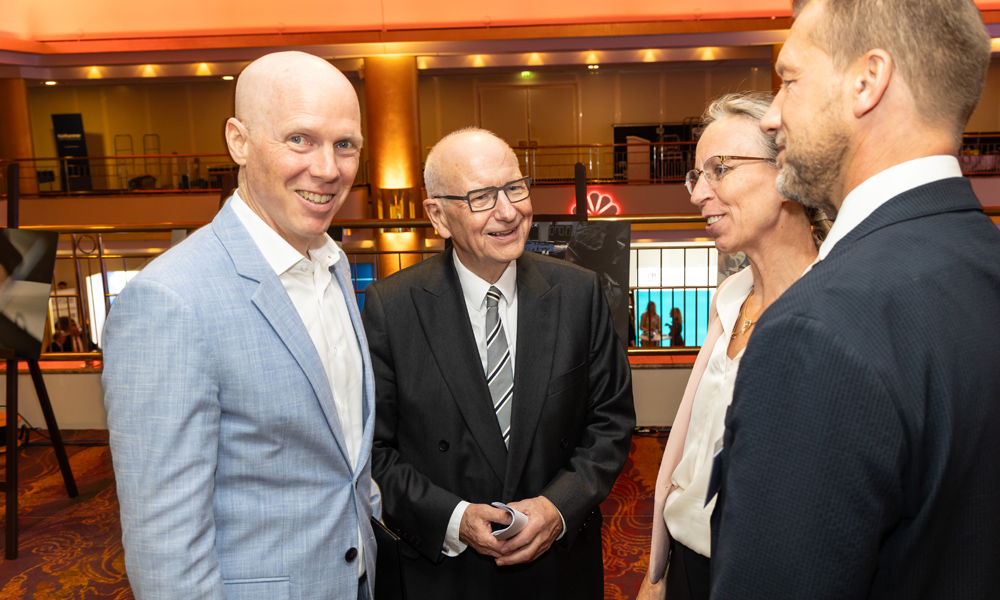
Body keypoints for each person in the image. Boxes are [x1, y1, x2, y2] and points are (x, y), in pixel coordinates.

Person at [710, 2, 1000, 599]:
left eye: (789, 80)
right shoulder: (981, 260)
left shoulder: (818, 327)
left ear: (867, 81)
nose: (773, 116)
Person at [102, 51, 379, 600]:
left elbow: (341, 460)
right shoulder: (169, 300)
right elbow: (165, 547)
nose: (327, 169)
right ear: (239, 140)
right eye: (299, 139)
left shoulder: (334, 263)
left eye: (345, 144)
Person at [362, 127, 635, 600]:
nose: (508, 212)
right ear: (438, 216)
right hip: (445, 575)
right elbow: (375, 450)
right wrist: (454, 519)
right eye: (482, 197)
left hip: (558, 568)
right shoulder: (392, 307)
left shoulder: (579, 294)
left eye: (514, 188)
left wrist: (558, 506)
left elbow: (610, 423)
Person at [636, 92, 826, 600]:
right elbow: (691, 454)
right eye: (695, 176)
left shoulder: (835, 307)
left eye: (719, 169)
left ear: (788, 169)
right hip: (687, 564)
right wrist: (658, 571)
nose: (698, 194)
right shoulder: (730, 296)